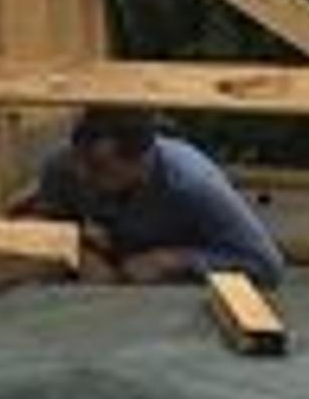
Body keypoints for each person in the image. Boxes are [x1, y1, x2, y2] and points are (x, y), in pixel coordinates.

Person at [22, 109, 286, 286]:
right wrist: (79, 252)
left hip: (181, 290)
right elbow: (49, 227)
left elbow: (267, 265)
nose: (82, 175)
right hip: (115, 278)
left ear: (141, 160)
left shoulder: (193, 183)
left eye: (98, 167)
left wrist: (174, 261)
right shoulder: (63, 165)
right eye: (78, 159)